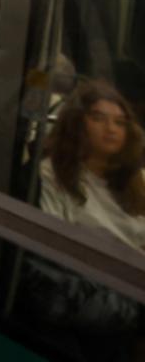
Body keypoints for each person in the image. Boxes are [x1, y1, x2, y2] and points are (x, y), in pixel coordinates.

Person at [39, 80, 145, 251]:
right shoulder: (52, 173)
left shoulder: (135, 178)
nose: (111, 129)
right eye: (98, 118)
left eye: (119, 122)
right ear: (77, 124)